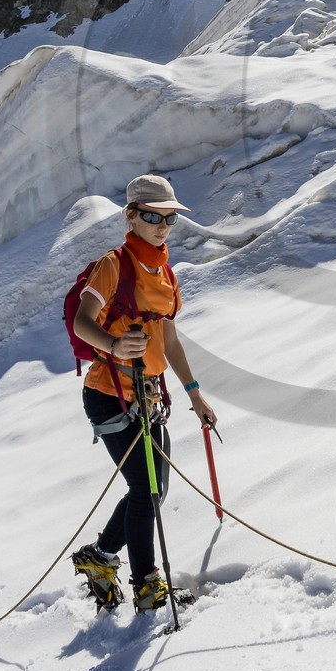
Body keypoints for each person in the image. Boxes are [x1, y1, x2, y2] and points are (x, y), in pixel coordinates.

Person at [70, 173, 217, 613]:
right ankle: (148, 586)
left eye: (169, 218)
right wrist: (113, 345)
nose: (162, 225)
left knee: (154, 488)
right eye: (153, 216)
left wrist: (195, 396)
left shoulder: (165, 273)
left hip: (148, 397)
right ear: (130, 216)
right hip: (110, 393)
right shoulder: (114, 265)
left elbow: (169, 343)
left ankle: (99, 557)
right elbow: (82, 321)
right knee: (145, 487)